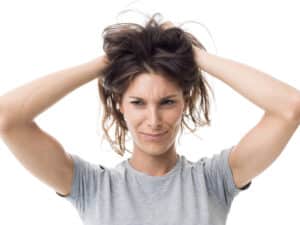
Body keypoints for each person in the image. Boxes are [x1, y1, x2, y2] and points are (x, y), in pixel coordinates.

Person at [0, 12, 299, 225]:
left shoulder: (213, 181)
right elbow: (7, 117)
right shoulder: (90, 187)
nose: (153, 120)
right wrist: (107, 62)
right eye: (138, 102)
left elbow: (290, 108)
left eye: (167, 101)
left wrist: (195, 56)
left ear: (185, 101)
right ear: (120, 104)